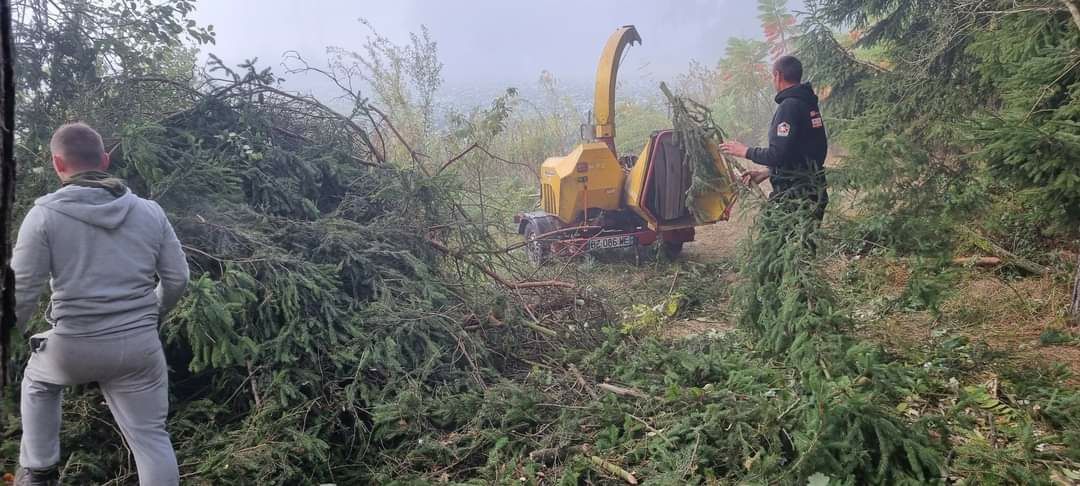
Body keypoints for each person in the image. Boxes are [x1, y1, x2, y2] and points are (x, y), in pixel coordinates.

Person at [12, 123, 189, 486]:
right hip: (139, 350)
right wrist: (153, 314)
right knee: (152, 440)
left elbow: (21, 293)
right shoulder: (150, 212)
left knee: (37, 382)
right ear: (105, 160)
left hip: (73, 348)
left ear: (57, 163)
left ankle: (40, 471)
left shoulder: (43, 216)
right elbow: (178, 280)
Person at [720, 55, 829, 225]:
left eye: (773, 76)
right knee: (804, 248)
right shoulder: (807, 103)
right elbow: (802, 152)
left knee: (773, 245)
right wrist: (767, 173)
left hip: (793, 196)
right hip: (813, 190)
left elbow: (777, 154)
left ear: (778, 76)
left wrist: (745, 151)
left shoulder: (790, 106)